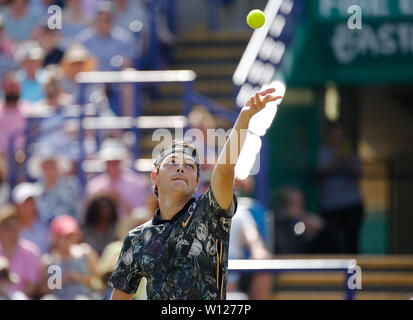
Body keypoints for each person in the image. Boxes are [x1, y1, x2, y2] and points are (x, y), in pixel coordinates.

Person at [108, 87, 282, 300]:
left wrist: (244, 119)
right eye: (172, 163)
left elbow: (225, 169)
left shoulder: (210, 215)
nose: (181, 168)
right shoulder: (136, 239)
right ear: (155, 177)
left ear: (197, 182)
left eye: (190, 166)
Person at [317, 122, 364, 254]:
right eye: (334, 135)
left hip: (352, 204)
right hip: (330, 205)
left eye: (341, 135)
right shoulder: (322, 153)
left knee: (351, 241)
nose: (338, 138)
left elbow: (358, 175)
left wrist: (348, 158)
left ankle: (354, 272)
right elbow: (320, 174)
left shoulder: (350, 153)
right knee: (331, 242)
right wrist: (337, 160)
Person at [86, 138, 150, 220]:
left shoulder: (137, 183)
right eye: (109, 162)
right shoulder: (94, 186)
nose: (112, 166)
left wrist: (119, 201)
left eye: (116, 162)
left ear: (122, 161)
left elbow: (141, 216)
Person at [40, 214, 101, 300]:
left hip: (84, 296)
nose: (70, 239)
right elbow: (43, 290)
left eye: (72, 235)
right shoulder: (48, 260)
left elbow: (98, 279)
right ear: (56, 238)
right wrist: (64, 280)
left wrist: (79, 278)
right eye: (65, 236)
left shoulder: (86, 252)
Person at [28, 149, 82, 225]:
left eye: (52, 164)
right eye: (46, 165)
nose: (50, 168)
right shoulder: (35, 190)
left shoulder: (71, 186)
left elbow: (77, 211)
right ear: (41, 168)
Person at [0, 204, 42, 299]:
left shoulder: (31, 252)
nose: (13, 233)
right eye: (9, 228)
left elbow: (32, 285)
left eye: (16, 228)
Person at [274, 187, 325, 254]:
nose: (298, 206)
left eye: (300, 202)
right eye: (293, 203)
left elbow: (319, 224)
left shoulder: (303, 219)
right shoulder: (277, 219)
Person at [12, 182, 49, 254]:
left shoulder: (45, 228)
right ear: (17, 205)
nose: (29, 205)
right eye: (26, 202)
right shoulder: (9, 229)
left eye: (32, 201)